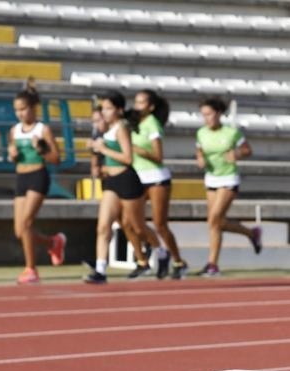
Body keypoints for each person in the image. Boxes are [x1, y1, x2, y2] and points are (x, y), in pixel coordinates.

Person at [85, 91, 155, 284]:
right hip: (111, 182)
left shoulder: (121, 128)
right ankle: (100, 269)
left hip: (127, 179)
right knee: (103, 225)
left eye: (108, 108)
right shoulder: (106, 129)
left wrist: (103, 149)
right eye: (104, 108)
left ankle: (162, 251)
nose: (105, 112)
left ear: (119, 110)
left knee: (137, 227)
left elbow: (127, 158)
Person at [195, 96, 261, 277]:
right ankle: (250, 233)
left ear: (217, 114)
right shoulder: (201, 132)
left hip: (228, 178)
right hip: (211, 178)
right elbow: (199, 148)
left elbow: (248, 150)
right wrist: (200, 157)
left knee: (214, 220)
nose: (206, 118)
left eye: (208, 114)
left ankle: (212, 264)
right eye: (203, 115)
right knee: (216, 223)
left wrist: (237, 153)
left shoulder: (232, 133)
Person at [8, 82, 66, 284]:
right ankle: (53, 242)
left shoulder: (43, 129)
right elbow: (14, 154)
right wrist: (13, 155)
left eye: (23, 109)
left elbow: (56, 159)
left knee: (26, 224)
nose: (20, 114)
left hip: (38, 176)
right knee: (19, 231)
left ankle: (31, 269)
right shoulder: (14, 130)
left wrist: (40, 148)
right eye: (17, 110)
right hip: (21, 177)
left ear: (33, 108)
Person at [131, 89, 190, 279]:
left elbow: (158, 156)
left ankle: (179, 261)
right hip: (137, 177)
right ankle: (156, 254)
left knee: (160, 224)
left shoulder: (152, 124)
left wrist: (138, 150)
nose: (137, 106)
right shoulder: (133, 123)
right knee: (133, 222)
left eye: (141, 103)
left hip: (155, 177)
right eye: (136, 102)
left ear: (151, 107)